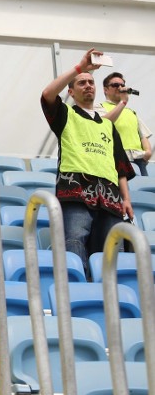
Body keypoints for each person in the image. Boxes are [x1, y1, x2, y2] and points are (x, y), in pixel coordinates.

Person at [41, 49, 135, 278]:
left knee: (112, 253)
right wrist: (80, 67)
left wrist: (126, 199)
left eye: (91, 82)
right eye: (82, 82)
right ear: (71, 92)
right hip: (77, 194)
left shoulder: (107, 125)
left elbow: (120, 167)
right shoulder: (66, 116)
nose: (88, 85)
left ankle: (110, 297)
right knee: (74, 243)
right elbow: (47, 94)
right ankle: (76, 291)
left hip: (110, 198)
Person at [96, 72, 152, 176]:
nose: (120, 87)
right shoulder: (99, 107)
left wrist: (148, 152)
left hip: (139, 160)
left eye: (122, 85)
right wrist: (123, 102)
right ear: (105, 89)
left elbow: (142, 135)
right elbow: (104, 123)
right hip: (115, 159)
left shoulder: (131, 112)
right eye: (115, 85)